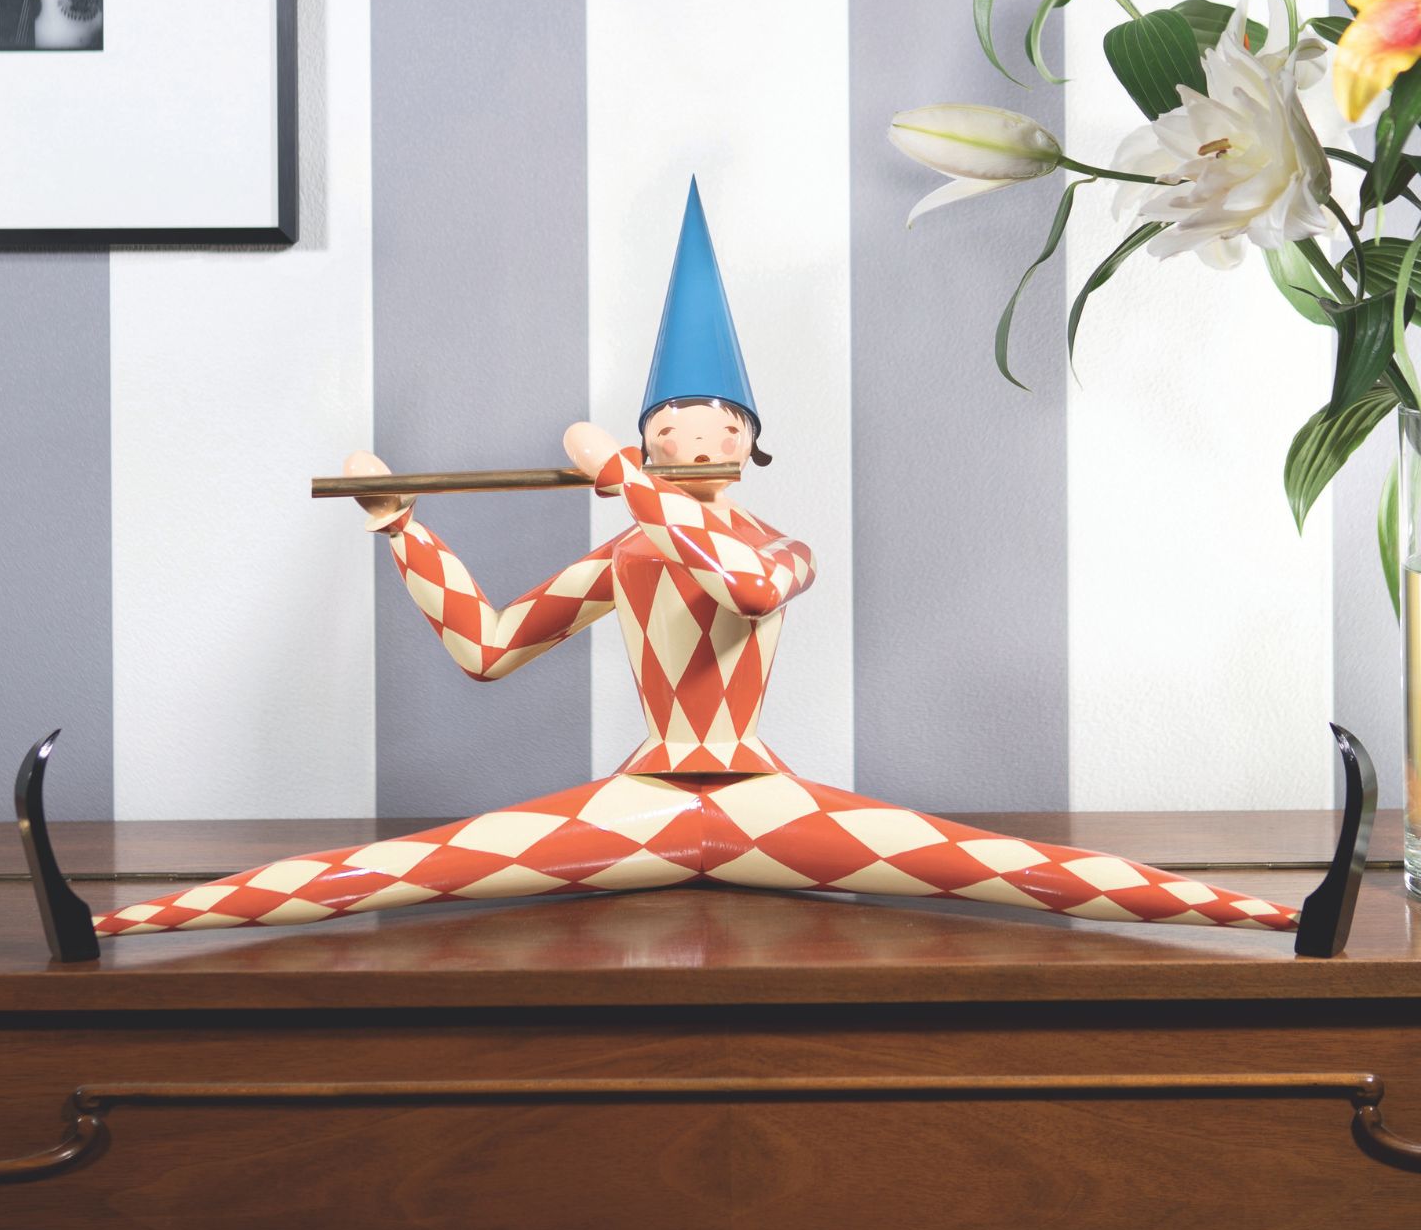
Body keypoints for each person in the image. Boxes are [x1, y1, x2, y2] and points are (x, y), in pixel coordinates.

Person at [88, 181, 1302, 941]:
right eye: (675, 424)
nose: (701, 437)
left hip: (769, 804)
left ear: (752, 445)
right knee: (402, 871)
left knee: (993, 866)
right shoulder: (629, 551)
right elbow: (489, 649)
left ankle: (1265, 914)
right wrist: (400, 525)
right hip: (641, 805)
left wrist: (624, 478)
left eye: (723, 423)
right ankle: (125, 924)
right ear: (655, 436)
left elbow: (744, 584)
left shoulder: (772, 543)